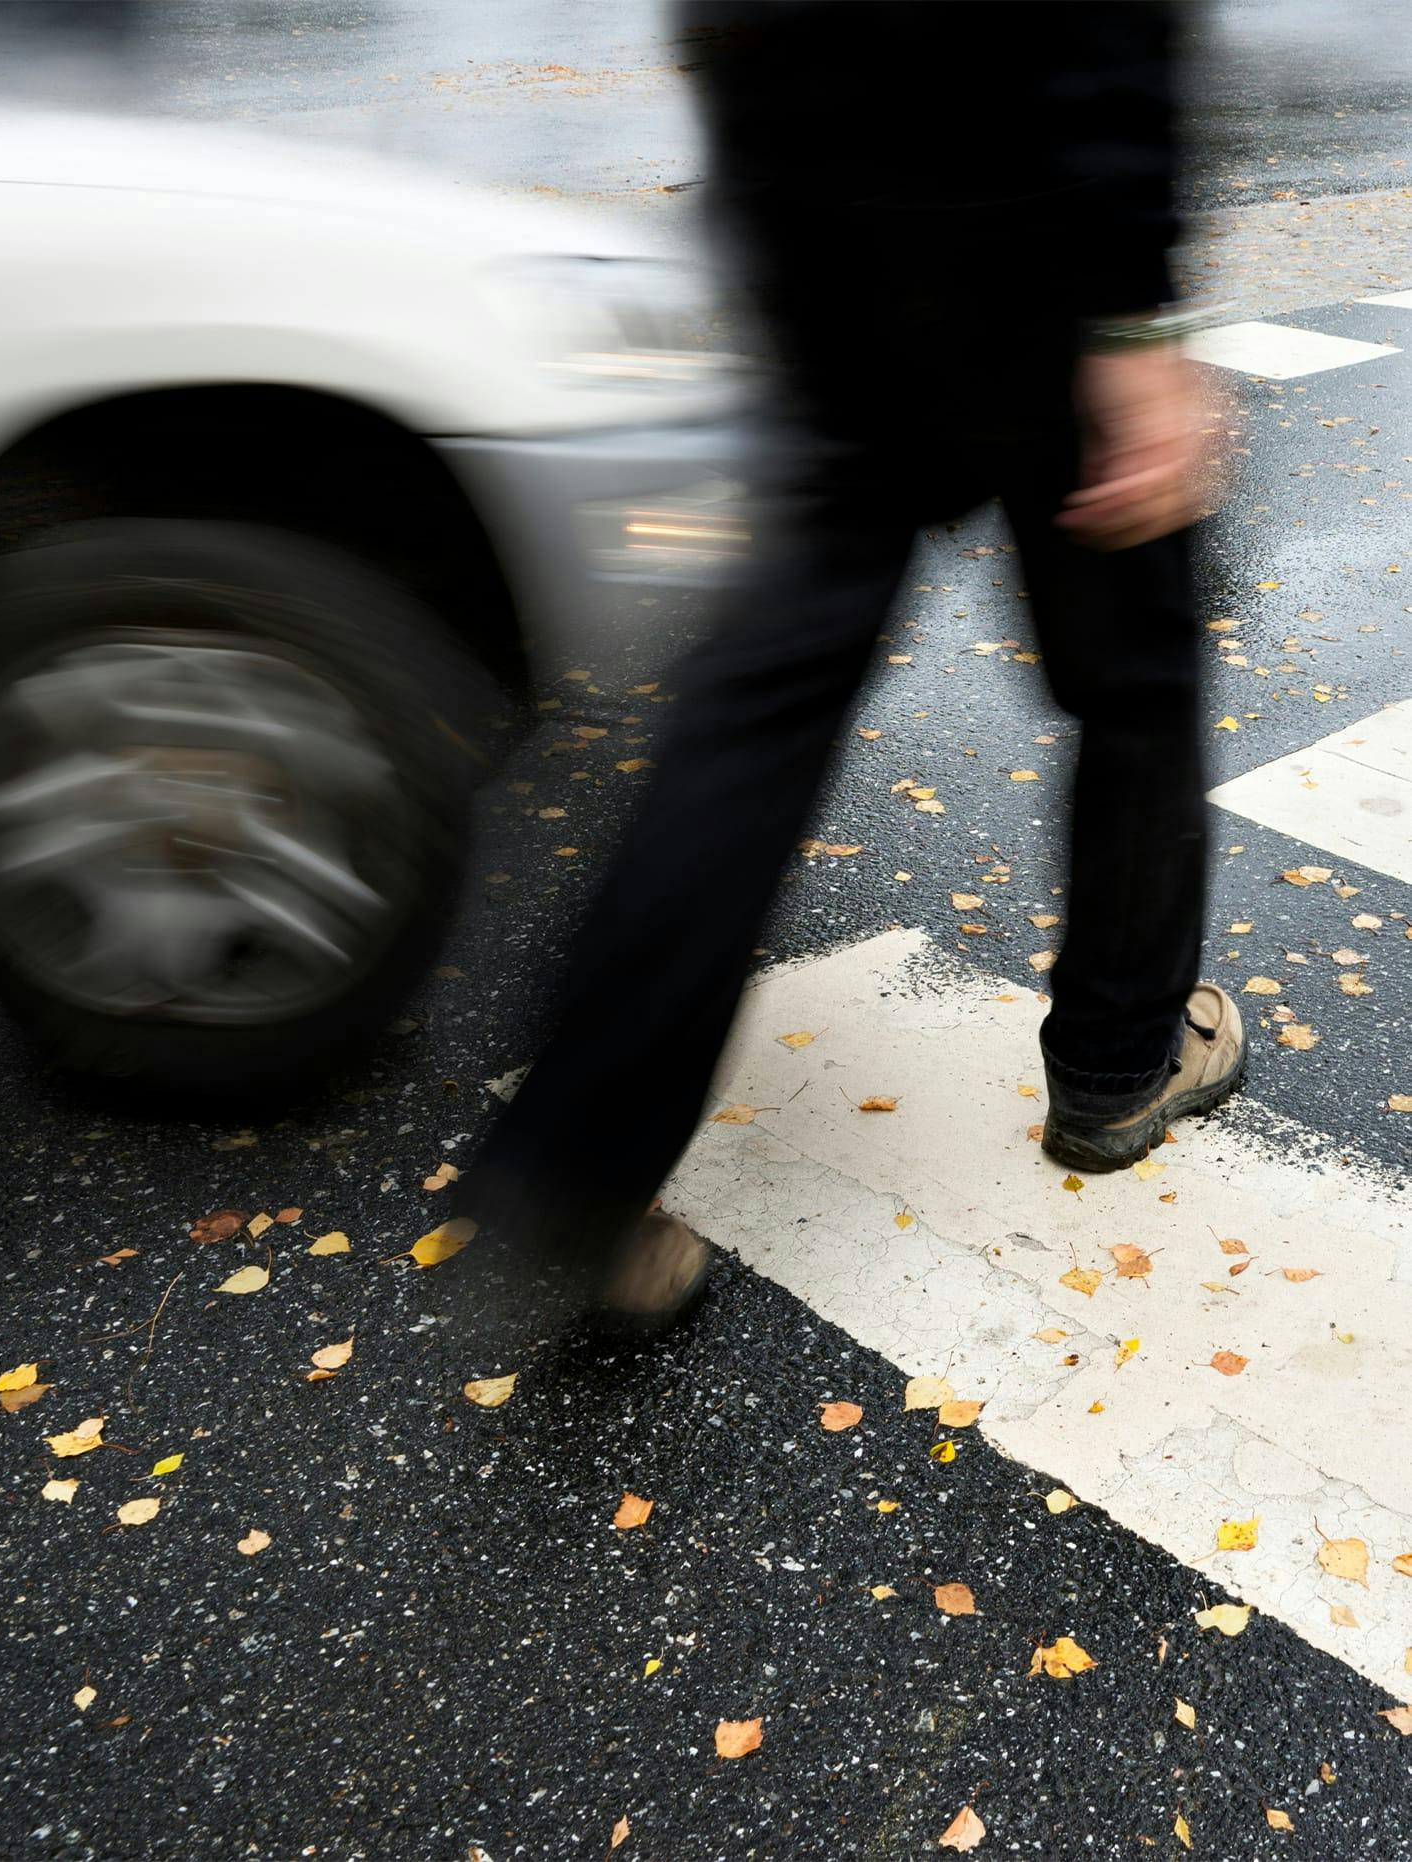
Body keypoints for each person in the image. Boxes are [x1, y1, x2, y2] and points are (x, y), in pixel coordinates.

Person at [464, 0, 1243, 1332]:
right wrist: (1129, 318)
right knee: (1135, 673)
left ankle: (579, 1165)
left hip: (812, 204)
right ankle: (1119, 1064)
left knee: (760, 703)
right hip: (1022, 208)